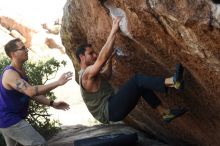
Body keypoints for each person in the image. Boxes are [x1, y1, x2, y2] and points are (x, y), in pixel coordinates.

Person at [76, 17, 186, 125]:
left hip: (112, 108)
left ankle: (165, 113)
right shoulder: (85, 75)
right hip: (110, 110)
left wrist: (109, 62)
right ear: (82, 57)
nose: (94, 55)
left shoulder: (91, 75)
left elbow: (107, 76)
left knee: (141, 85)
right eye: (91, 53)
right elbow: (101, 58)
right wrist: (113, 31)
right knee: (137, 80)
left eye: (94, 53)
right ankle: (173, 81)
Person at [0, 38, 73, 146]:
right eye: (23, 48)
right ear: (13, 54)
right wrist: (57, 82)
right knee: (39, 143)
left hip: (9, 119)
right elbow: (31, 91)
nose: (27, 50)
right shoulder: (10, 74)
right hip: (9, 119)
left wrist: (52, 103)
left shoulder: (20, 71)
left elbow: (32, 94)